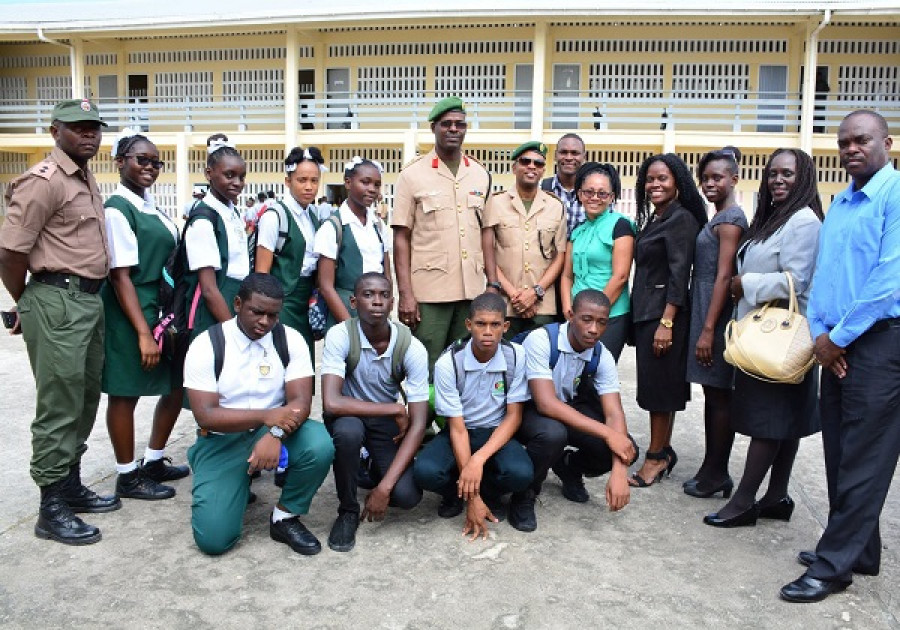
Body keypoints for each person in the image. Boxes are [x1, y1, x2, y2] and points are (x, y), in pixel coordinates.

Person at [781, 110, 900, 603]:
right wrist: (824, 336)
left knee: (865, 459)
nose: (852, 148)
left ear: (886, 143)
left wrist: (840, 338)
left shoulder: (893, 197)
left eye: (862, 140)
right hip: (837, 342)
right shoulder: (844, 201)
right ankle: (861, 550)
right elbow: (828, 277)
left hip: (878, 341)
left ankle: (834, 566)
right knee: (839, 450)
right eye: (844, 142)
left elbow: (888, 281)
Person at [0, 99, 120, 545]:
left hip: (87, 301)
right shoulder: (42, 182)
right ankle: (50, 505)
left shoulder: (84, 178)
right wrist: (28, 302)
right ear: (55, 131)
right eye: (78, 127)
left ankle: (69, 484)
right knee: (58, 403)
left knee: (85, 397)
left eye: (94, 127)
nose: (89, 134)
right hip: (57, 298)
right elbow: (10, 253)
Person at [703, 148, 823, 529]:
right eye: (772, 174)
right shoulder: (777, 219)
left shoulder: (804, 222)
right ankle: (776, 497)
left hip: (782, 338)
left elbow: (798, 280)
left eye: (787, 173)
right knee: (785, 421)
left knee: (768, 422)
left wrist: (745, 283)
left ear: (803, 176)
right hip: (766, 336)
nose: (778, 180)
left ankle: (743, 502)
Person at [183, 273, 334, 556]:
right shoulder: (208, 344)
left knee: (319, 444)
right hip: (222, 438)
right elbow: (205, 415)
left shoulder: (290, 340)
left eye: (273, 315)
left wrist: (274, 433)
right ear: (238, 304)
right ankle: (224, 477)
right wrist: (266, 417)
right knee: (214, 541)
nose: (265, 322)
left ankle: (284, 516)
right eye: (257, 312)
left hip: (276, 430)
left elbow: (300, 402)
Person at [100, 128, 188, 501]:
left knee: (174, 384)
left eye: (156, 162)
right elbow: (120, 277)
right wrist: (141, 332)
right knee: (125, 392)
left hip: (160, 309)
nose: (150, 167)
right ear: (120, 162)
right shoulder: (117, 209)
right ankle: (127, 474)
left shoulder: (150, 204)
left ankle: (153, 460)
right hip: (130, 310)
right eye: (141, 160)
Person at [321, 272, 429, 552]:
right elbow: (331, 402)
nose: (377, 302)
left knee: (407, 496)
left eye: (383, 295)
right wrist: (392, 407)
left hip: (383, 424)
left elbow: (417, 425)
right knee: (347, 433)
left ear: (393, 302)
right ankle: (347, 510)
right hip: (349, 415)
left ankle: (369, 471)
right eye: (368, 295)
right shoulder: (341, 335)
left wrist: (384, 489)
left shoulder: (410, 347)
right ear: (354, 302)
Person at [392, 96, 500, 375]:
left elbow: (486, 233)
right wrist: (405, 294)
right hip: (430, 292)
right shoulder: (412, 175)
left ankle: (457, 420)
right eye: (447, 124)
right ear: (434, 128)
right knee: (425, 363)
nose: (454, 129)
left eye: (460, 124)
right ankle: (423, 419)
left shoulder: (479, 174)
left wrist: (493, 284)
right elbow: (401, 237)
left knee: (465, 364)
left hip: (471, 289)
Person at [413, 292, 534, 539]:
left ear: (505, 327)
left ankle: (486, 491)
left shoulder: (516, 356)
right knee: (424, 471)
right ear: (469, 325)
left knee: (521, 473)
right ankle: (458, 494)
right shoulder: (449, 362)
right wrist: (473, 500)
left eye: (495, 324)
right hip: (460, 431)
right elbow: (457, 428)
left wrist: (477, 462)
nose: (487, 331)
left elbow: (513, 417)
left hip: (495, 432)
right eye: (480, 324)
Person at [516, 289, 637, 531]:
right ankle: (524, 495)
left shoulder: (601, 355)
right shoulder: (542, 340)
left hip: (567, 407)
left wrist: (620, 469)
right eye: (586, 319)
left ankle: (569, 467)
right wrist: (608, 433)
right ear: (570, 314)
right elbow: (545, 403)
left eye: (602, 322)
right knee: (553, 434)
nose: (594, 329)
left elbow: (614, 413)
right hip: (527, 410)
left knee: (625, 445)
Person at [629, 153, 707, 488]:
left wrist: (667, 322)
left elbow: (680, 274)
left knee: (658, 390)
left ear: (677, 181)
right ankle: (664, 451)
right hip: (648, 313)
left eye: (662, 178)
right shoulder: (659, 217)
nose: (655, 184)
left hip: (663, 315)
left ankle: (655, 457)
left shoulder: (681, 219)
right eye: (650, 179)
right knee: (659, 386)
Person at [684, 148, 748, 499]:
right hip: (707, 308)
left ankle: (717, 473)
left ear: (734, 179)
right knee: (713, 394)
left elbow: (725, 276)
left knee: (721, 395)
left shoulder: (730, 220)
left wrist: (709, 330)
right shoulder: (719, 216)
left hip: (716, 315)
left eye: (717, 177)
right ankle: (712, 468)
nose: (710, 183)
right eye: (705, 178)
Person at [484, 141, 566, 339]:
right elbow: (487, 254)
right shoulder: (495, 203)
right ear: (514, 167)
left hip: (543, 304)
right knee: (505, 362)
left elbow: (560, 255)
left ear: (543, 170)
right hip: (505, 303)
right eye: (525, 161)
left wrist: (535, 292)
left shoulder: (555, 206)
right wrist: (514, 295)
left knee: (540, 364)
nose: (531, 167)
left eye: (538, 164)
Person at [255, 146, 328, 356]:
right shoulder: (275, 216)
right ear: (288, 182)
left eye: (314, 181)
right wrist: (266, 311)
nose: (309, 187)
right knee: (282, 357)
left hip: (308, 300)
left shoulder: (313, 215)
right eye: (302, 180)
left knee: (304, 361)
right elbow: (261, 273)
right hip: (282, 301)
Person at [559, 162, 635, 360]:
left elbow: (620, 276)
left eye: (602, 193)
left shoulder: (620, 225)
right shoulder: (577, 230)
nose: (594, 197)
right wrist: (568, 306)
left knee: (598, 374)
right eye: (589, 192)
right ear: (579, 194)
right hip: (577, 316)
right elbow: (567, 275)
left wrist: (594, 314)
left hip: (609, 315)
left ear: (611, 197)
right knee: (575, 375)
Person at [183, 133, 250, 342]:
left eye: (241, 176)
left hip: (236, 299)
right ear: (209, 173)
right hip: (215, 307)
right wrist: (233, 330)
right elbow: (209, 289)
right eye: (229, 175)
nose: (237, 183)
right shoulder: (204, 219)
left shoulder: (232, 212)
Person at [313, 156, 390, 330]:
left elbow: (387, 273)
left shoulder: (378, 225)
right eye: (365, 182)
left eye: (377, 185)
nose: (372, 189)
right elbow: (326, 286)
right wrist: (350, 327)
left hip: (377, 315)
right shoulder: (333, 227)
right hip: (345, 312)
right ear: (348, 183)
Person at [541, 133, 587, 237]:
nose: (569, 157)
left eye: (575, 153)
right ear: (555, 155)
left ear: (584, 157)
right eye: (563, 152)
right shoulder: (540, 190)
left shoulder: (595, 196)